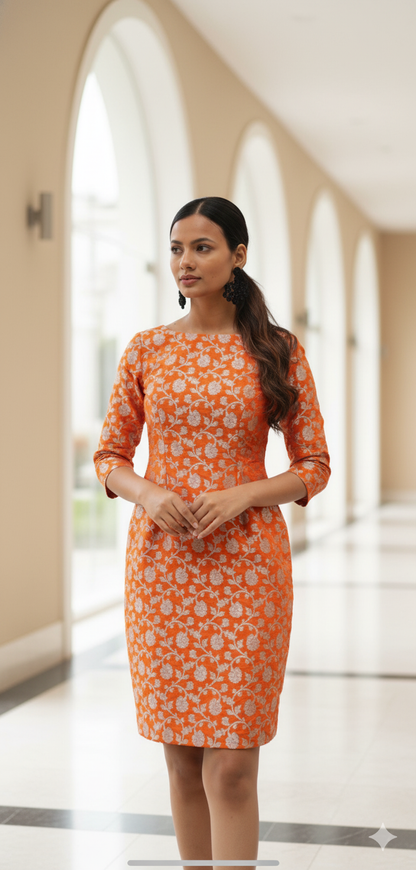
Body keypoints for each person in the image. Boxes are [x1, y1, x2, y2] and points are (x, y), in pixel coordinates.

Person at [94, 196, 330, 870]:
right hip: (163, 568)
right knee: (181, 762)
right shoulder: (147, 349)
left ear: (238, 256)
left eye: (202, 247)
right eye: (176, 248)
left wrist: (244, 495)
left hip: (248, 568)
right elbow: (109, 456)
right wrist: (149, 492)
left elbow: (314, 466)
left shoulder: (278, 351)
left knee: (230, 768)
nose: (185, 262)